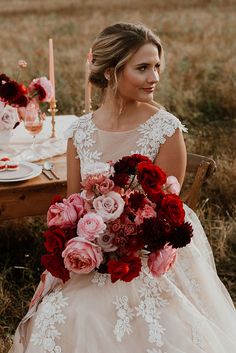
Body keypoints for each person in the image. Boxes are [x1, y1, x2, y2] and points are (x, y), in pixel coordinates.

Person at [10, 22, 236, 353]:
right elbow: (73, 207)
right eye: (142, 68)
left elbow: (167, 216)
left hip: (149, 257)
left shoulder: (165, 129)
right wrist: (85, 244)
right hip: (92, 253)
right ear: (111, 72)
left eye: (157, 66)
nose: (155, 77)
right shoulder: (80, 131)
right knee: (62, 315)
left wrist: (126, 236)